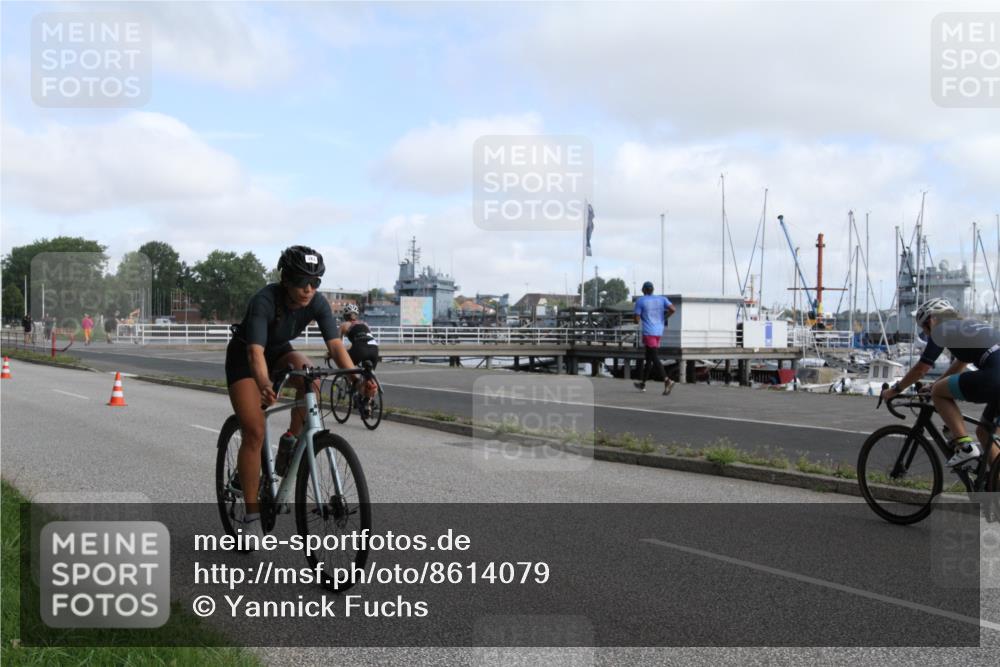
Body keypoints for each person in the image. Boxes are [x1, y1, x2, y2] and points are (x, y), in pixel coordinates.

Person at [225, 246, 354, 537]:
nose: (308, 289)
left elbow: (336, 347)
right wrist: (264, 384)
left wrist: (356, 379)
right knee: (254, 432)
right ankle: (251, 516)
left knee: (311, 378)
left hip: (279, 351)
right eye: (301, 281)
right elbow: (255, 354)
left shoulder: (317, 302)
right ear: (285, 279)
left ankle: (290, 440)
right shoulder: (264, 300)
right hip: (246, 359)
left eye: (315, 282)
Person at [881, 298, 1000, 468]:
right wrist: (934, 385)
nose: (927, 334)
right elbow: (960, 364)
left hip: (995, 377)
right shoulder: (968, 326)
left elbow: (921, 369)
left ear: (931, 320)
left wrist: (894, 390)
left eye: (924, 329)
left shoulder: (942, 329)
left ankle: (965, 446)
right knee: (985, 433)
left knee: (938, 392)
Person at [633, 281, 677, 395]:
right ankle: (643, 384)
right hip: (658, 332)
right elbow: (673, 309)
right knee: (648, 358)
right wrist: (664, 318)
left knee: (654, 357)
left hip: (649, 332)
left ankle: (667, 380)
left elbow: (636, 320)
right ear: (652, 290)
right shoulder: (662, 299)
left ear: (643, 290)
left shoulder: (640, 300)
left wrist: (637, 317)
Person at [339, 303, 380, 414]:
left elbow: (337, 344)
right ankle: (368, 402)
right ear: (356, 315)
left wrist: (330, 354)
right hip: (374, 348)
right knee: (368, 375)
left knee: (346, 366)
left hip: (360, 348)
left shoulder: (344, 325)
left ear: (345, 316)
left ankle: (355, 390)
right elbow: (366, 337)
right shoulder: (365, 324)